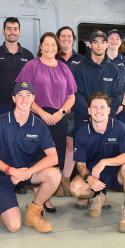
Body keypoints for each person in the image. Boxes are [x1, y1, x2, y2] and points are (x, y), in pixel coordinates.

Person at [0, 81, 60, 233]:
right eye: (20, 95)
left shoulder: (39, 125)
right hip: (2, 173)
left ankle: (33, 213)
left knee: (54, 175)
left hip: (26, 172)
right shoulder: (0, 122)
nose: (24, 99)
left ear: (33, 98)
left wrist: (27, 172)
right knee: (13, 226)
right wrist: (12, 171)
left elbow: (53, 158)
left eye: (28, 95)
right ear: (14, 98)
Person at [16, 32, 77, 212]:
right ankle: (39, 201)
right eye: (46, 44)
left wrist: (61, 113)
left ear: (57, 48)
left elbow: (71, 96)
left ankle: (45, 197)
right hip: (36, 117)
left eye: (53, 45)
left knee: (54, 160)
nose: (50, 48)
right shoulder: (31, 66)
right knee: (38, 159)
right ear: (40, 46)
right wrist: (42, 113)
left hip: (59, 119)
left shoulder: (64, 68)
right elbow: (23, 94)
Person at [69, 92, 125, 232]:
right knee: (75, 188)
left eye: (102, 107)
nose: (98, 111)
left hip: (118, 174)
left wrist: (105, 162)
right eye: (94, 107)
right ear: (89, 111)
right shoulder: (82, 134)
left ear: (108, 110)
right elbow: (80, 164)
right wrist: (89, 179)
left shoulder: (119, 128)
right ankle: (98, 195)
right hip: (96, 175)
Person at [71, 30, 123, 207]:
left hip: (105, 121)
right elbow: (75, 94)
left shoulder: (113, 69)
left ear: (107, 45)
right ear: (90, 45)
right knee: (83, 156)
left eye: (103, 42)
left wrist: (106, 115)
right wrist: (90, 114)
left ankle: (101, 193)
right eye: (96, 42)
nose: (99, 45)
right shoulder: (79, 68)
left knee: (104, 155)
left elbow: (117, 95)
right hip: (84, 119)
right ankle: (84, 193)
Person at [0, 17, 34, 120]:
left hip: (23, 105)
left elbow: (32, 82)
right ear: (3, 31)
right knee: (0, 135)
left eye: (15, 29)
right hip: (0, 106)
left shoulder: (28, 55)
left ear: (19, 32)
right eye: (8, 29)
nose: (12, 32)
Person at [57, 26, 84, 198]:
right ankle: (56, 180)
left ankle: (66, 180)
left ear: (73, 39)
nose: (66, 39)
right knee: (54, 145)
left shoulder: (82, 59)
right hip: (55, 110)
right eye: (63, 36)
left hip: (75, 109)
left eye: (69, 36)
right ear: (58, 39)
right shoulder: (52, 58)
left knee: (70, 145)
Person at [106, 29, 125, 126]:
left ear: (121, 42)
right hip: (103, 108)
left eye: (117, 39)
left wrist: (123, 105)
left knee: (121, 136)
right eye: (111, 38)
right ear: (106, 41)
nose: (114, 41)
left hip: (121, 108)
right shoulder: (101, 60)